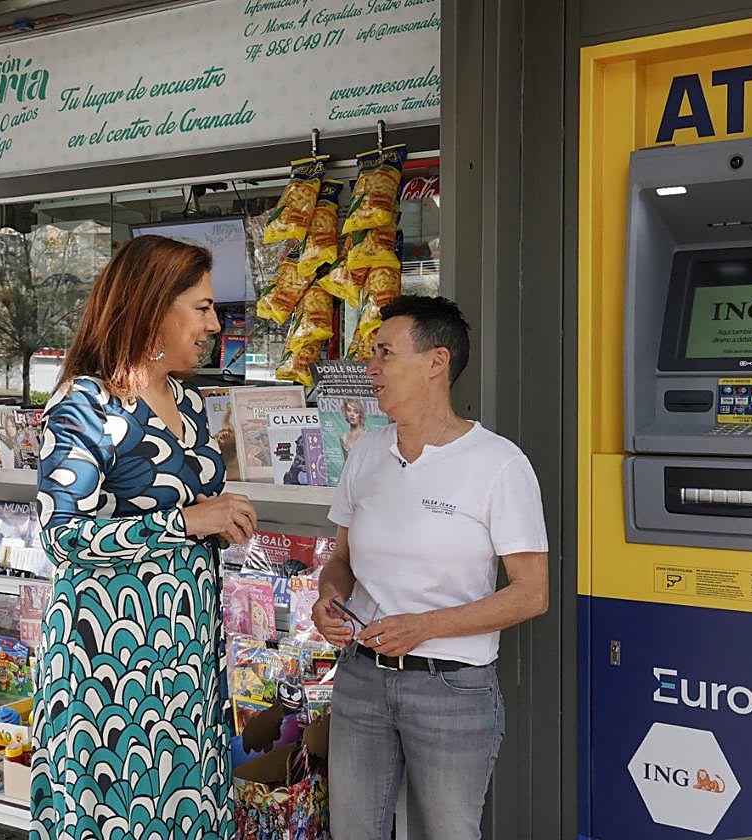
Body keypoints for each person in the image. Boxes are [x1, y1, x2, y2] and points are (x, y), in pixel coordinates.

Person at [32, 235, 258, 840]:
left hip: (188, 659)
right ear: (154, 305)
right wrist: (187, 522)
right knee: (117, 818)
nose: (215, 323)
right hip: (109, 667)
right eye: (203, 308)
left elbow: (181, 505)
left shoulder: (189, 400)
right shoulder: (85, 405)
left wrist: (217, 520)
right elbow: (63, 537)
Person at [312, 295, 549, 840]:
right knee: (352, 830)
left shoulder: (499, 464)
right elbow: (341, 560)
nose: (370, 368)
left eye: (385, 354)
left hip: (452, 688)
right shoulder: (366, 452)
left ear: (436, 362)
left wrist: (424, 627)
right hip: (361, 680)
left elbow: (531, 594)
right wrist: (328, 597)